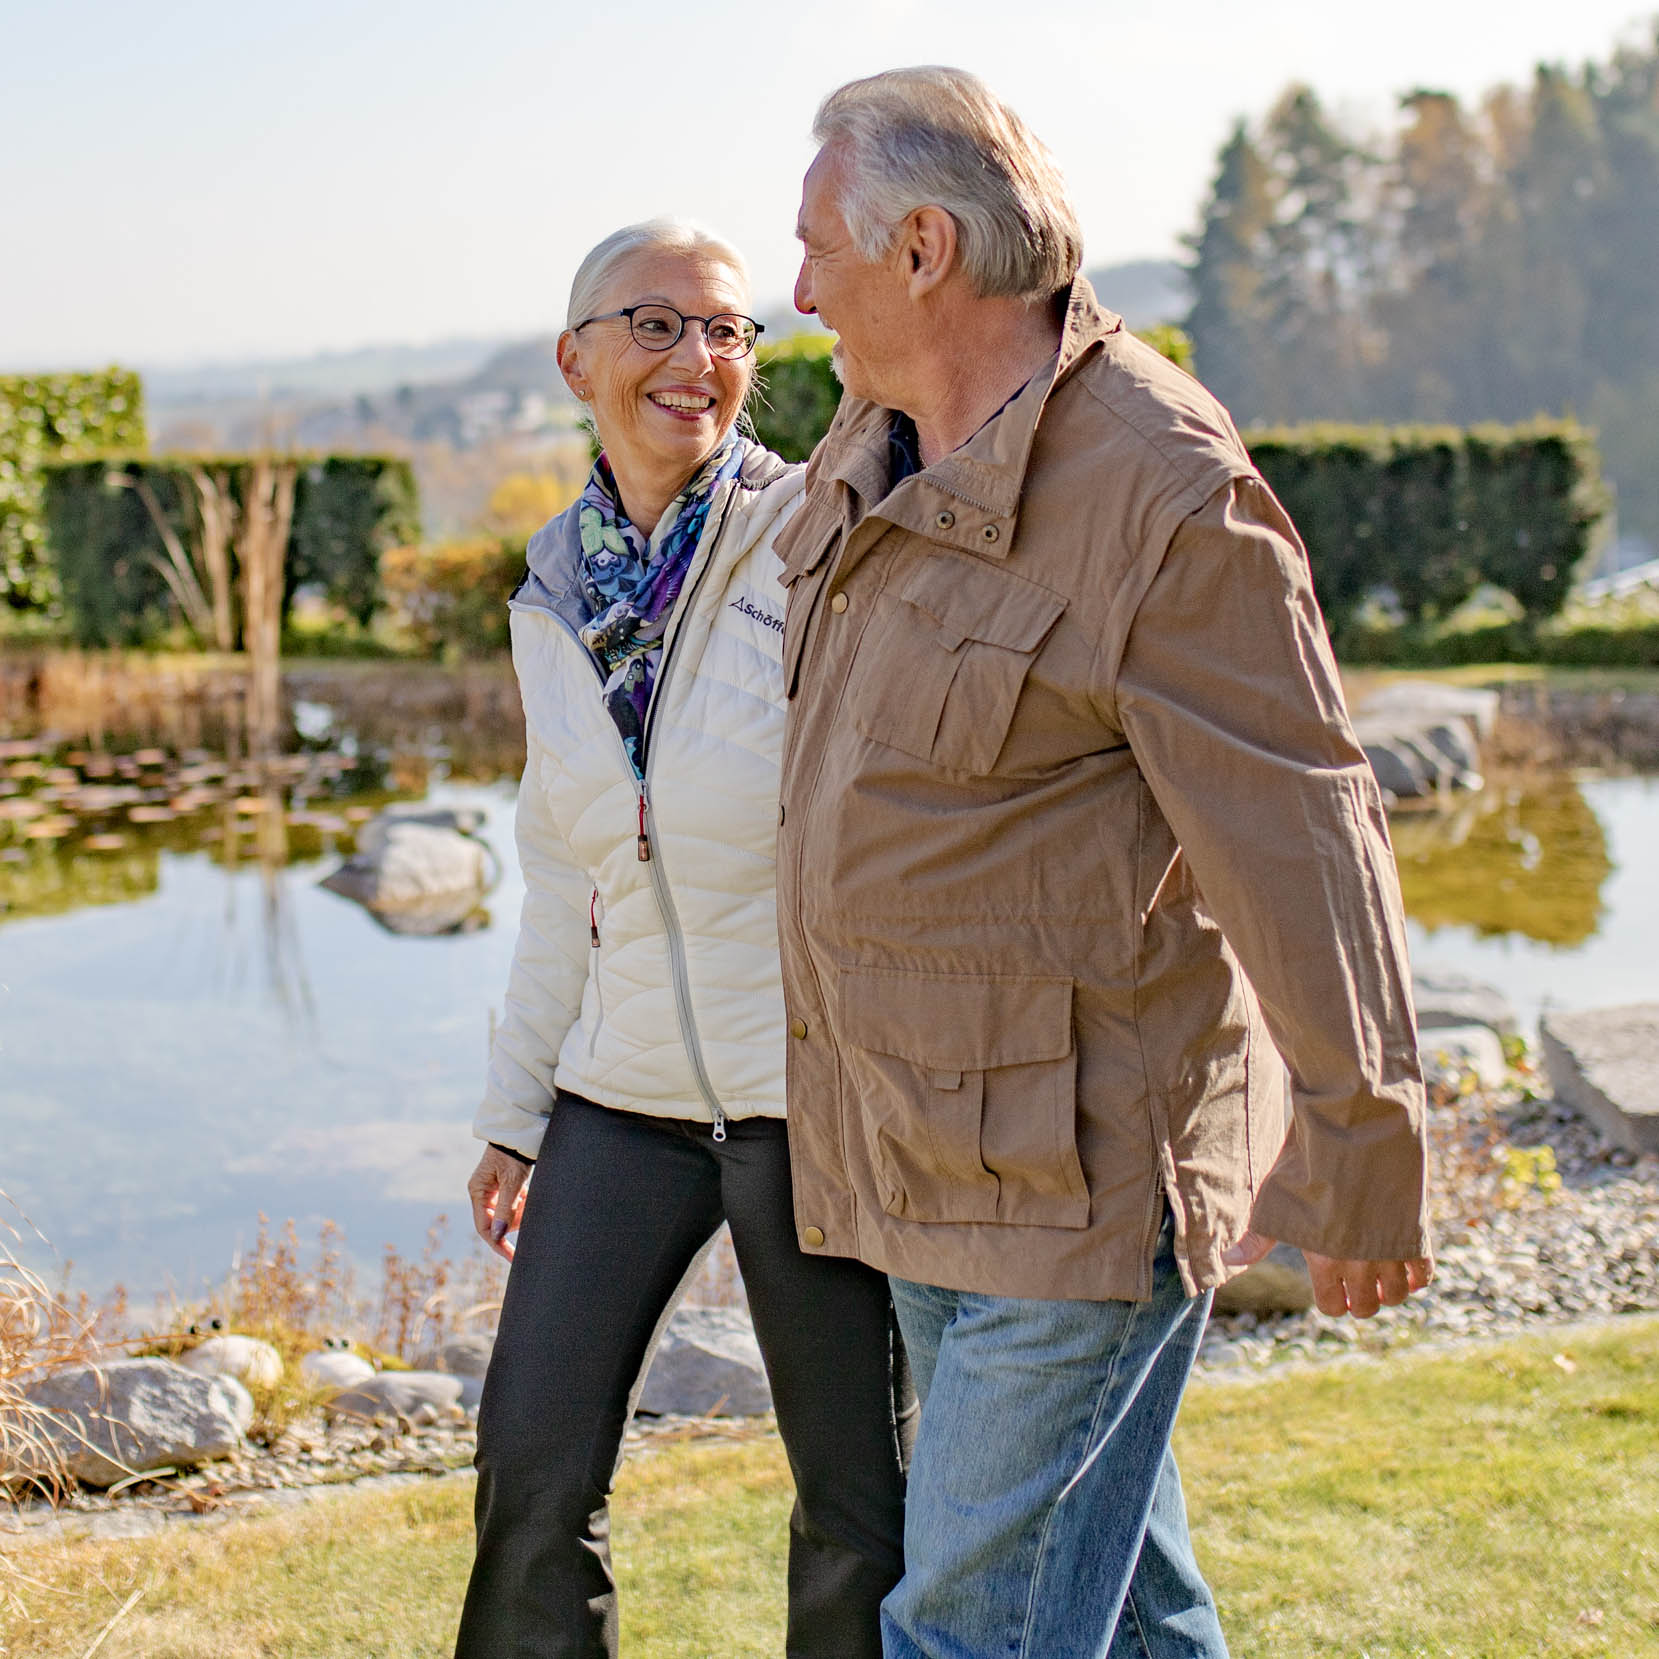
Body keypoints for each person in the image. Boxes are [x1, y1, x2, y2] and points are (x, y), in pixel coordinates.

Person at [773, 68, 1434, 1659]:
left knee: (969, 1629)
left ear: (923, 247)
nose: (798, 293)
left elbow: (1305, 835)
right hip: (926, 1150)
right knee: (1131, 1607)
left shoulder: (1163, 488)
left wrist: (1364, 1151)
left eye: (817, 251)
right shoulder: (879, 436)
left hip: (1078, 1181)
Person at [454, 219, 908, 1659]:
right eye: (654, 325)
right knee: (529, 1476)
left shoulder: (816, 537)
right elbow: (562, 873)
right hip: (620, 1102)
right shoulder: (553, 594)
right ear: (575, 356)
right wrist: (517, 1112)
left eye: (726, 329)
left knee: (860, 1506)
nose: (696, 359)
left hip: (810, 1105)